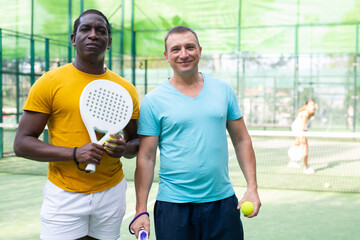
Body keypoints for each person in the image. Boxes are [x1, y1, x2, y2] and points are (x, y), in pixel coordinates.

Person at [13, 9, 139, 240]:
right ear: (74, 39)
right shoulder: (49, 83)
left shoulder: (125, 89)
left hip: (112, 192)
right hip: (63, 194)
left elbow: (136, 142)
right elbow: (22, 143)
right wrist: (74, 153)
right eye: (85, 29)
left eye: (101, 31)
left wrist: (126, 149)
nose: (93, 35)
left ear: (108, 42)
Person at [129, 25, 261, 240]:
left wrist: (252, 187)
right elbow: (146, 156)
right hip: (173, 207)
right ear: (166, 56)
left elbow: (242, 139)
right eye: (176, 49)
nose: (184, 54)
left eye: (190, 47)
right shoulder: (154, 100)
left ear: (199, 50)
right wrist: (140, 209)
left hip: (222, 203)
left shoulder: (223, 89)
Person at [288, 99, 317, 174]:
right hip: (299, 130)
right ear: (306, 106)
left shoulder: (308, 113)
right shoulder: (304, 114)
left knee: (297, 144)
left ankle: (292, 161)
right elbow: (303, 126)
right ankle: (307, 167)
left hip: (298, 130)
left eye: (313, 105)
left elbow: (311, 116)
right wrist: (302, 136)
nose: (312, 107)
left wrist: (314, 109)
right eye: (310, 105)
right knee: (305, 148)